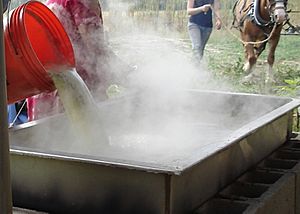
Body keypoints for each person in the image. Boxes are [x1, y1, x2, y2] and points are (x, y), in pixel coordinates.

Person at [27, 0, 133, 120]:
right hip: (73, 95)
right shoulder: (84, 2)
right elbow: (98, 53)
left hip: (45, 92)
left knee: (48, 137)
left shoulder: (52, 1)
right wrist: (133, 79)